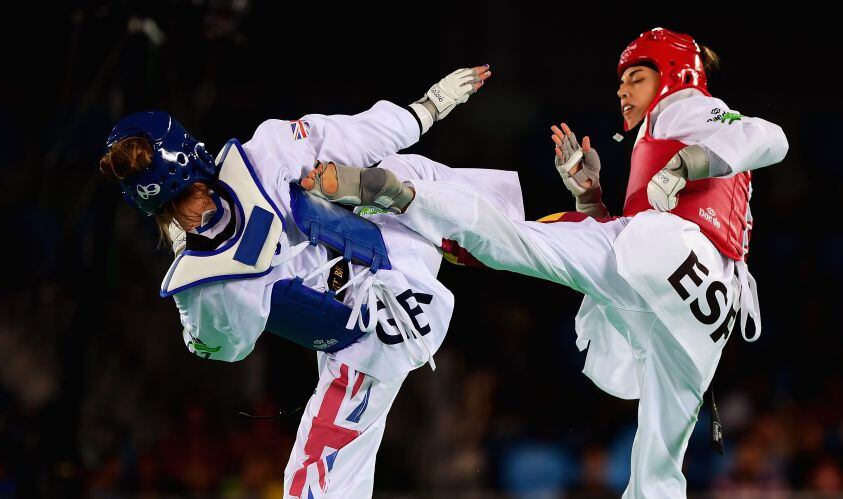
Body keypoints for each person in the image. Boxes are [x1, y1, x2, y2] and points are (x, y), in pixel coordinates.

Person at [309, 28, 788, 497]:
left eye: (636, 77)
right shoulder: (663, 131)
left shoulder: (688, 106)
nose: (622, 89)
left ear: (675, 75)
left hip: (680, 255)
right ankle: (420, 207)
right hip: (707, 307)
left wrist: (687, 165)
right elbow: (621, 248)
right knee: (658, 466)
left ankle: (400, 193)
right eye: (621, 82)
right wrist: (591, 200)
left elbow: (771, 137)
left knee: (525, 240)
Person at [97, 65, 525, 498]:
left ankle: (522, 235)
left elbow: (226, 348)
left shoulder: (204, 285)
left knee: (309, 486)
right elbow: (362, 136)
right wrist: (430, 106)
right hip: (404, 243)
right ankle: (538, 230)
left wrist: (183, 253)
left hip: (375, 340)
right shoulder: (268, 151)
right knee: (400, 172)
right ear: (194, 150)